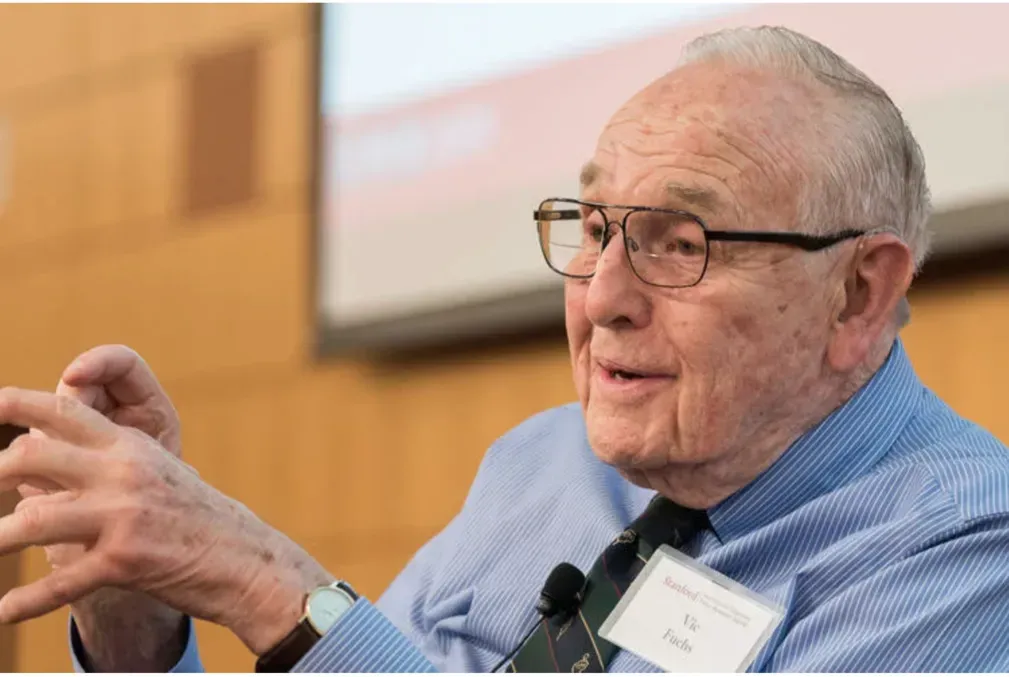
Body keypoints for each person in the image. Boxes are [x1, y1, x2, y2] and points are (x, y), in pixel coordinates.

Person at [1, 24, 1009, 673]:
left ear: (855, 291)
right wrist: (139, 620)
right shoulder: (542, 462)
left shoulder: (962, 552)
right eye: (596, 226)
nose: (600, 295)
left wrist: (267, 582)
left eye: (679, 241)